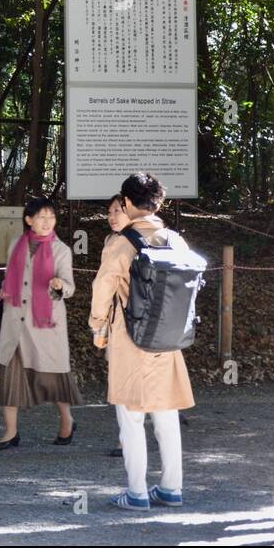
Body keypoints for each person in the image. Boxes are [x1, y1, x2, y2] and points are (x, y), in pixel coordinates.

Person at [89, 172, 194, 510]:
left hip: (130, 338)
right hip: (169, 339)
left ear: (130, 203)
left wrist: (98, 329)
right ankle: (171, 489)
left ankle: (136, 492)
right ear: (158, 203)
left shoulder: (121, 243)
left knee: (132, 417)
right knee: (166, 415)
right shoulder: (177, 241)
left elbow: (102, 290)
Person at [0, 197, 80, 450]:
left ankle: (67, 421)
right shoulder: (15, 245)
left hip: (45, 324)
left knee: (52, 380)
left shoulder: (61, 250)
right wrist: (4, 289)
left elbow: (70, 287)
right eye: (41, 217)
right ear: (29, 220)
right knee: (11, 376)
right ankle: (11, 433)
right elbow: (11, 277)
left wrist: (59, 285)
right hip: (16, 321)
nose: (46, 222)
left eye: (50, 217)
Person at [104, 194, 129, 459]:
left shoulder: (131, 242)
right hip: (116, 319)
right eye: (109, 211)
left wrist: (97, 320)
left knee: (125, 382)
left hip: (129, 321)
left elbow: (104, 285)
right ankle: (125, 437)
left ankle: (128, 440)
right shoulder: (110, 240)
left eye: (118, 211)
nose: (112, 216)